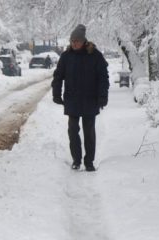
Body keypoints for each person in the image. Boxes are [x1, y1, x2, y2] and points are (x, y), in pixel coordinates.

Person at [51, 24, 109, 171]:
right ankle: (76, 160)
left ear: (84, 41)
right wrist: (56, 93)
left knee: (89, 132)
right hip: (72, 100)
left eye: (77, 41)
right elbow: (58, 76)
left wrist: (103, 96)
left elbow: (103, 77)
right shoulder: (66, 56)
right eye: (72, 41)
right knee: (72, 130)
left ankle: (89, 161)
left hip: (90, 100)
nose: (74, 43)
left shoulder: (95, 55)